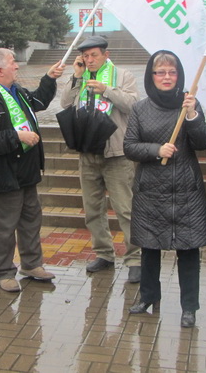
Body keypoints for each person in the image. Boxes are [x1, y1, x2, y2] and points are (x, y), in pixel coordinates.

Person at [123, 50, 206, 328]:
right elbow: (129, 146)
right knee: (150, 247)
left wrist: (193, 114)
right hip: (151, 190)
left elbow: (203, 142)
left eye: (171, 72)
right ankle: (148, 296)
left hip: (186, 190)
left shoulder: (189, 105)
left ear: (179, 75)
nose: (166, 77)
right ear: (151, 76)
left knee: (188, 249)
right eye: (160, 72)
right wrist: (155, 149)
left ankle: (189, 307)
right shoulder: (140, 109)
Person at [0, 48, 65, 293]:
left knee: (30, 222)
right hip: (4, 177)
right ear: (0, 69)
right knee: (3, 229)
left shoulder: (17, 92)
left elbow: (39, 102)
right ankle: (4, 272)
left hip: (27, 173)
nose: (17, 66)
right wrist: (17, 136)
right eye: (13, 62)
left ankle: (32, 264)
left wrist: (49, 78)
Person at [59, 35, 141, 282]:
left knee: (125, 209)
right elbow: (64, 103)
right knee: (93, 210)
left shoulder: (123, 76)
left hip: (116, 153)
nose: (89, 60)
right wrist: (75, 77)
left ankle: (136, 258)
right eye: (85, 56)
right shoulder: (81, 77)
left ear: (106, 54)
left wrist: (107, 89)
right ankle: (104, 253)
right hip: (87, 151)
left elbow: (133, 105)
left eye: (94, 55)